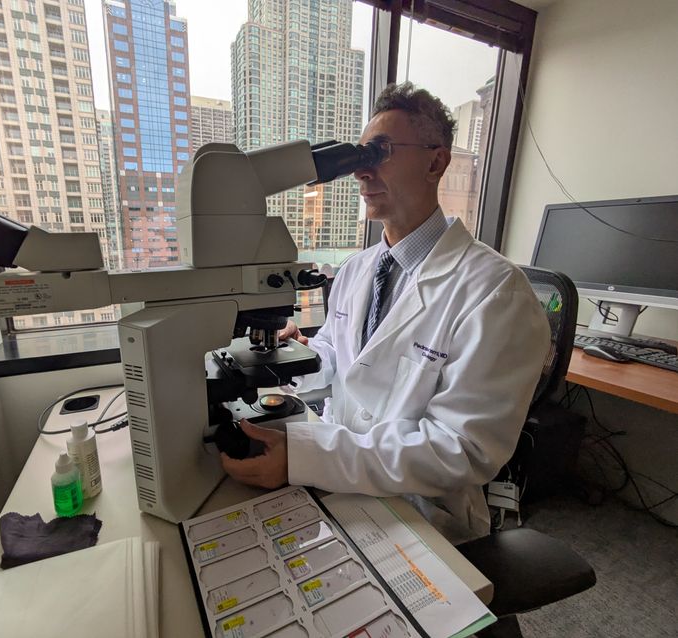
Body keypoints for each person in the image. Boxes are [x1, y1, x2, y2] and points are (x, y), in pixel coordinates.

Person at [221, 82, 550, 543]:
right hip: (338, 485)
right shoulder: (356, 270)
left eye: (381, 151)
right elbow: (344, 360)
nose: (361, 172)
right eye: (359, 156)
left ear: (435, 162)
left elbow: (461, 450)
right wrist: (300, 355)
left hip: (423, 515)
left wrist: (308, 457)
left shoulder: (497, 293)